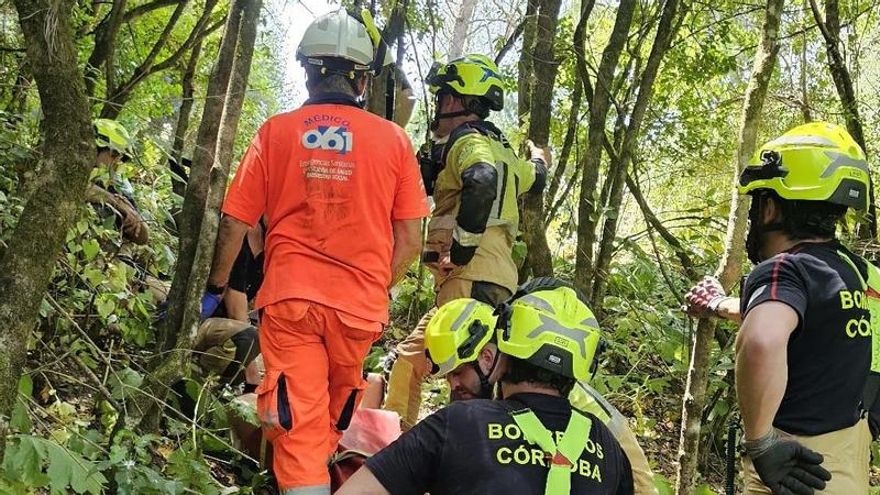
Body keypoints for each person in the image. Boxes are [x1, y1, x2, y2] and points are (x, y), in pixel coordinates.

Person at [201, 9, 429, 494]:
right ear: (363, 80)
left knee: (298, 421)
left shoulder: (276, 133)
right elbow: (412, 239)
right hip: (359, 309)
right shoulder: (394, 141)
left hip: (292, 301)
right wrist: (374, 284)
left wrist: (216, 285)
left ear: (307, 71)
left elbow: (235, 221)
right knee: (331, 413)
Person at [690, 122, 874, 495]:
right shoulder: (862, 276)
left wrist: (761, 442)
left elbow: (763, 338)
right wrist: (717, 304)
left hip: (793, 470)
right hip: (849, 464)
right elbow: (806, 320)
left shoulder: (783, 268)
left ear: (770, 209)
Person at [338, 279, 634, 494]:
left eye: (458, 372)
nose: (454, 384)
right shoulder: (610, 448)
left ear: (502, 348)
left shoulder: (456, 424)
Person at [385, 54, 548, 429]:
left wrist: (460, 250)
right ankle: (401, 442)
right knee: (419, 362)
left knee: (463, 377)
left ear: (458, 100)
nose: (438, 105)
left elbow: (482, 178)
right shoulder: (505, 152)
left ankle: (438, 449)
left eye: (442, 96)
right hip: (494, 279)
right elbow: (535, 177)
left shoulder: (469, 141)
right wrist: (540, 159)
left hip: (468, 278)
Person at [422, 289, 658, 494]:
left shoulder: (556, 391)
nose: (453, 385)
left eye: (458, 372)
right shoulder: (504, 389)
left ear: (487, 356)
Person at [85, 119, 149, 246]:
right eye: (114, 154)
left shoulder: (116, 185)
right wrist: (115, 202)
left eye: (121, 158)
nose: (117, 162)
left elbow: (142, 237)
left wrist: (133, 215)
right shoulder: (70, 167)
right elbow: (76, 188)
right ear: (95, 148)